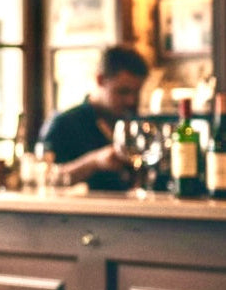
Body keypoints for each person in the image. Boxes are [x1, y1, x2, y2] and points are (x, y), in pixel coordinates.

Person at [37, 45, 149, 191]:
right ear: (100, 79)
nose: (131, 101)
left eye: (136, 93)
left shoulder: (134, 123)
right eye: (123, 91)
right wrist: (94, 162)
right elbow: (45, 178)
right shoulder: (64, 124)